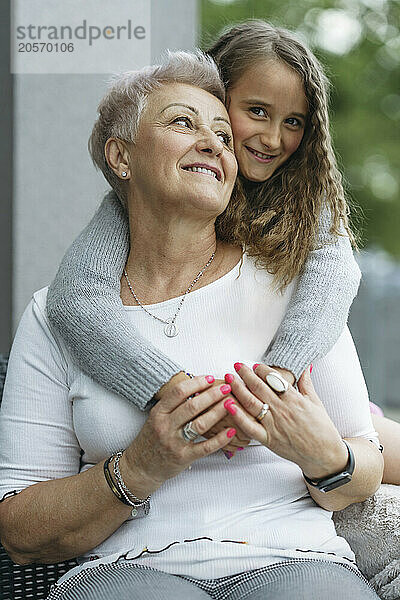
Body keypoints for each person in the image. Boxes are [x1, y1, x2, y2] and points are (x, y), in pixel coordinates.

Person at [0, 51, 383, 600]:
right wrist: (137, 467)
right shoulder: (57, 313)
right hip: (129, 570)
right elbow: (18, 532)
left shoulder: (297, 291)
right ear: (121, 155)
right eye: (183, 122)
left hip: (294, 558)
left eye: (225, 136)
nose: (214, 144)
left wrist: (327, 457)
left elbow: (365, 464)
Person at [44, 20, 400, 478]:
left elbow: (336, 278)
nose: (273, 139)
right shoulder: (149, 199)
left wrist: (276, 380)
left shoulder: (303, 198)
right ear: (215, 97)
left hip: (315, 405)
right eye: (256, 111)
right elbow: (76, 300)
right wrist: (175, 393)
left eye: (293, 122)